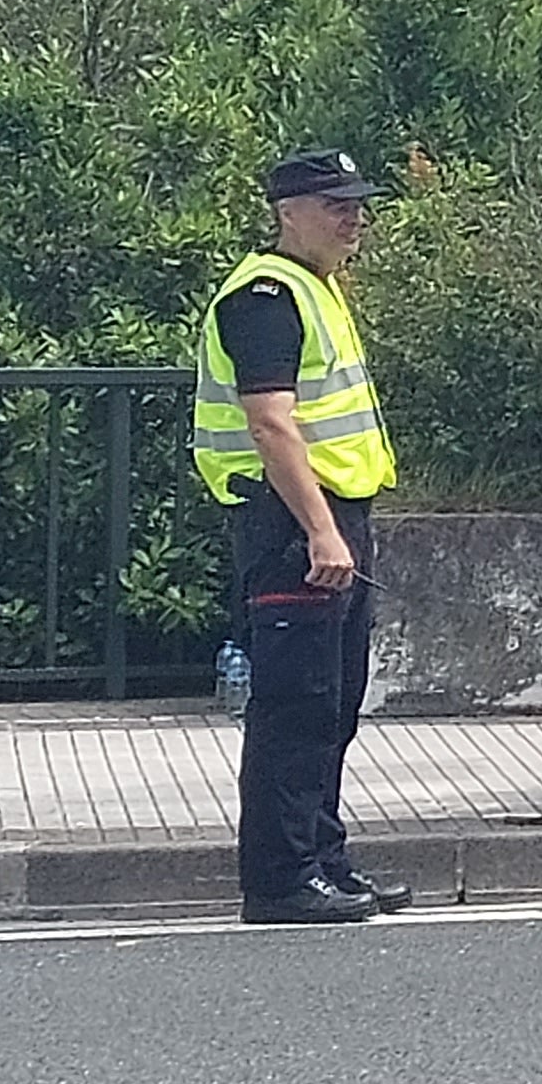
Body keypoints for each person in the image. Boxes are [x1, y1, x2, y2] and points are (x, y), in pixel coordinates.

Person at [203, 149, 410, 920]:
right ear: (289, 212)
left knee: (334, 702)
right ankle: (283, 878)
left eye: (356, 204)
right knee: (296, 707)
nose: (353, 217)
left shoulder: (314, 288)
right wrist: (323, 532)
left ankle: (323, 858)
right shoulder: (265, 296)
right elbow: (270, 423)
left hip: (332, 514)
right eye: (335, 205)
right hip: (291, 519)